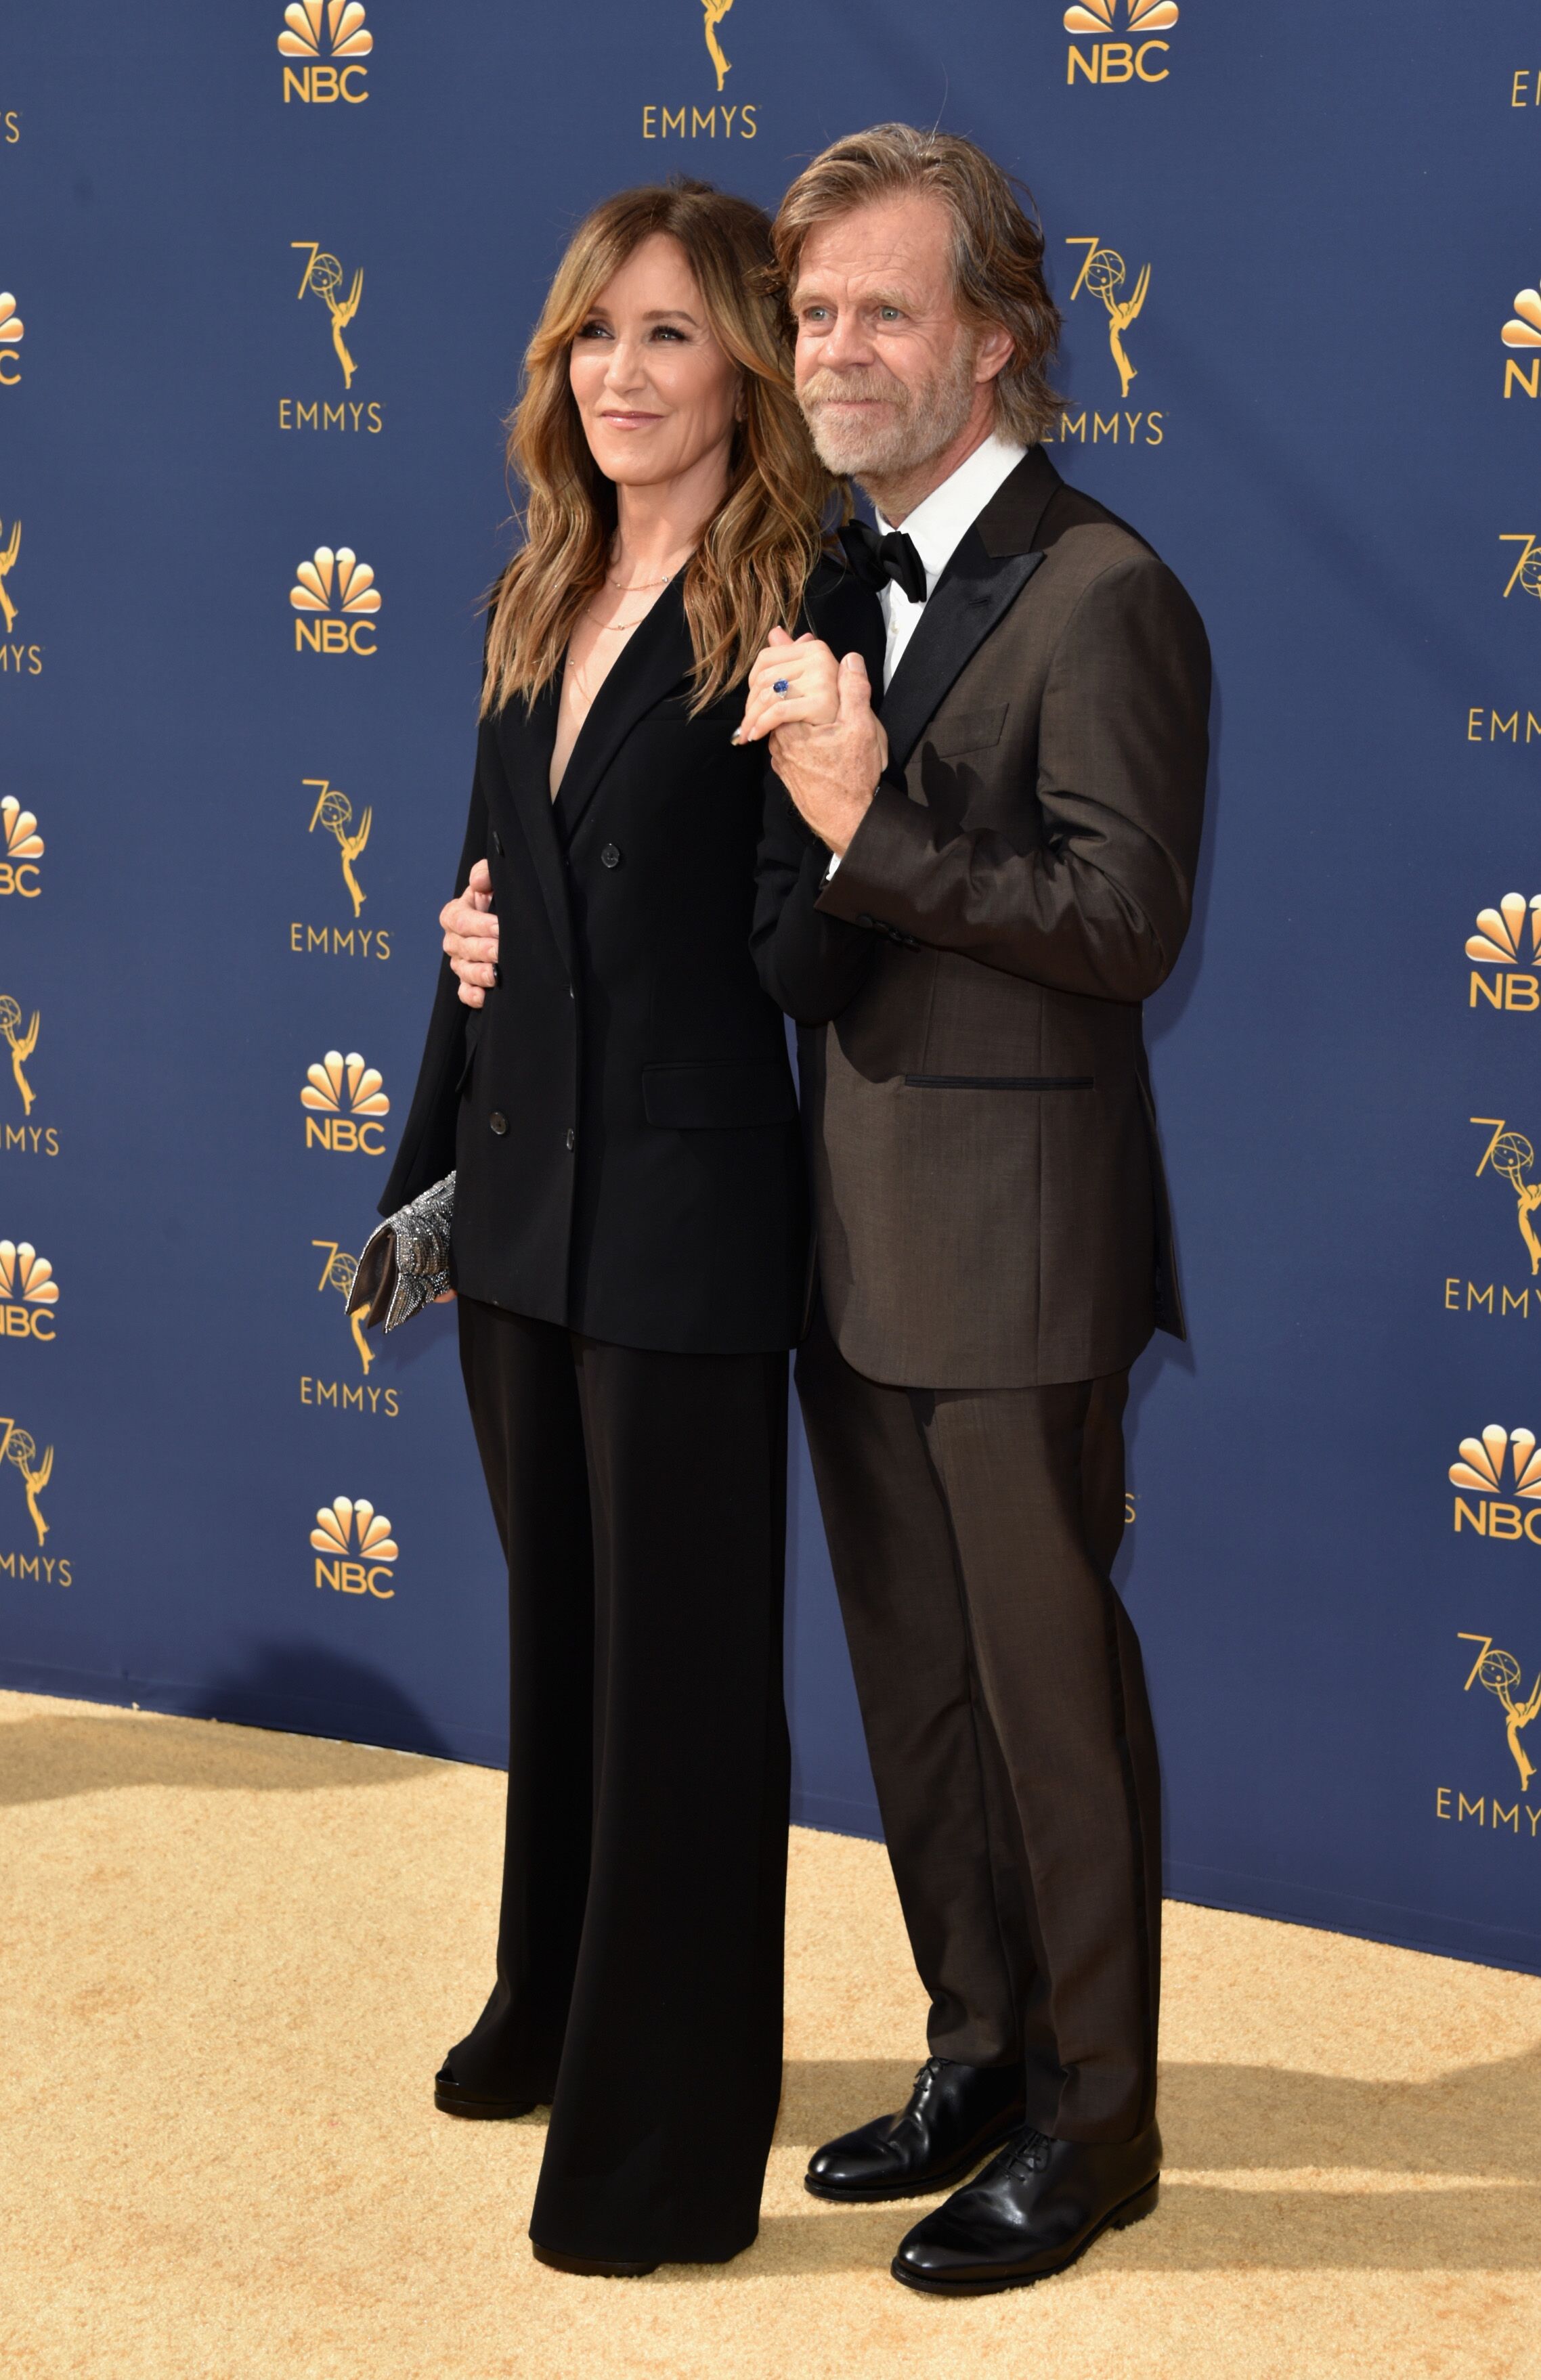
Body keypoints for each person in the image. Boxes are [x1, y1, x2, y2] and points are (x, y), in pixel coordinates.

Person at [380, 179, 874, 2278]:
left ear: (747, 364)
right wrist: (438, 1128)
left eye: (669, 335)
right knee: (562, 1638)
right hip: (520, 1206)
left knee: (681, 1681)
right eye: (594, 334)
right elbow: (488, 905)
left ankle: (667, 2142)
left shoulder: (801, 598)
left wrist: (842, 827)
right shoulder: (542, 585)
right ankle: (553, 2003)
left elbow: (803, 948)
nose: (619, 373)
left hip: (679, 1205)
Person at [743, 125, 1211, 2295]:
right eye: (814, 310)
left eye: (881, 312)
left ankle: (1095, 2126)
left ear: (994, 344)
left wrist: (865, 818)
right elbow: (812, 922)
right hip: (845, 1243)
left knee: (1043, 1701)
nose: (833, 348)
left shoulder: (1109, 591)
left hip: (1017, 1258)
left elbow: (1122, 920)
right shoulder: (835, 575)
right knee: (914, 1692)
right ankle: (974, 2052)